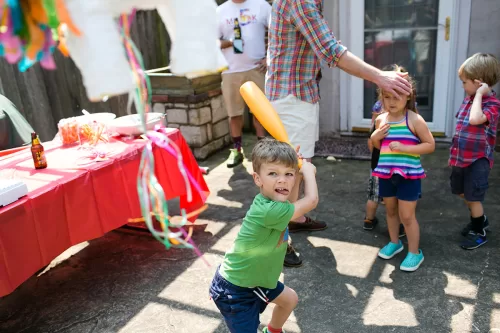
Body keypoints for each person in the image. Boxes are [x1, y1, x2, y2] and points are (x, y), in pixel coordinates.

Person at [265, 0, 412, 265]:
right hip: (291, 97)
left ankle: (294, 219)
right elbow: (330, 50)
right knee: (283, 172)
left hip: (300, 93)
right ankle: (277, 239)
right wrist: (380, 76)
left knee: (296, 166)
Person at [209, 138, 318, 333]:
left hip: (258, 281)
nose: (282, 179)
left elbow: (292, 202)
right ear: (257, 178)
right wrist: (309, 172)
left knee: (289, 300)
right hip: (235, 291)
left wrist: (299, 175)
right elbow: (310, 201)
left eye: (288, 174)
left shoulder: (277, 205)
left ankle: (273, 331)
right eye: (273, 173)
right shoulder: (268, 211)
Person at [371, 65, 435, 272]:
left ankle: (415, 252)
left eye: (396, 97)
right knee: (390, 211)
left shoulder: (414, 120)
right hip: (387, 174)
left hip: (409, 175)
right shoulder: (381, 119)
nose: (391, 102)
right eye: (387, 97)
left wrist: (407, 148)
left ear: (408, 96)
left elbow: (430, 145)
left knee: (407, 216)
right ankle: (395, 242)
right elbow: (377, 147)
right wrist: (374, 137)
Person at [449, 53, 500, 250]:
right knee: (461, 191)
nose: (462, 86)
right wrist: (453, 156)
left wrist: (479, 95)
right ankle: (480, 219)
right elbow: (461, 129)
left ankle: (479, 231)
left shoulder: (492, 105)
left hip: (477, 161)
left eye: (464, 82)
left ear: (479, 83)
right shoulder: (469, 100)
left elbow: (474, 120)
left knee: (473, 197)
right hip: (461, 158)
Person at [216, 0, 270, 168]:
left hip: (257, 69)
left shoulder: (261, 6)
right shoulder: (220, 11)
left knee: (260, 113)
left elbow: (279, 34)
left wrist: (269, 57)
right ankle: (237, 151)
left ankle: (262, 152)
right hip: (230, 71)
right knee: (234, 114)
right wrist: (231, 43)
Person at [364, 100, 406, 239]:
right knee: (396, 199)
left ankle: (369, 220)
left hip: (377, 166)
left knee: (373, 196)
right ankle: (398, 226)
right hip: (393, 167)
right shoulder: (396, 127)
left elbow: (372, 145)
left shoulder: (377, 128)